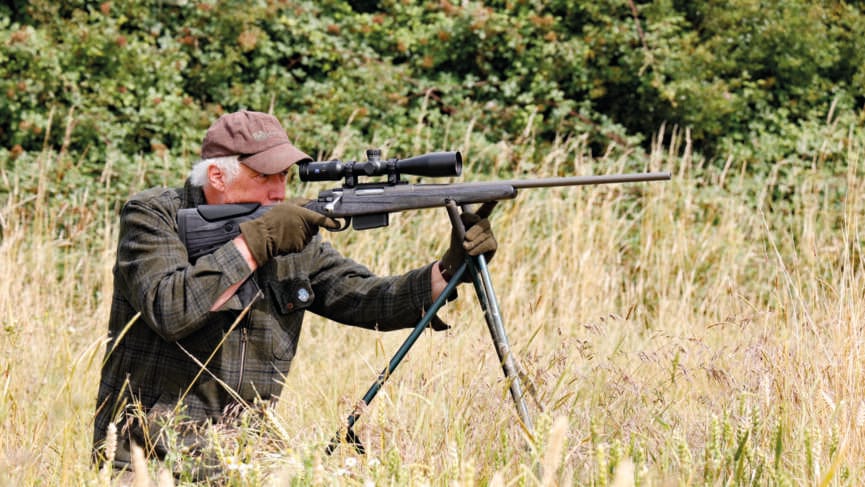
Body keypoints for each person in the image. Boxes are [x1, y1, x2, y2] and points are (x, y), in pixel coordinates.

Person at [91, 110, 497, 474]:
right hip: (147, 456)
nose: (279, 193)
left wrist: (449, 269)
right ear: (217, 176)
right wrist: (255, 243)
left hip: (246, 456)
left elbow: (364, 297)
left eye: (283, 176)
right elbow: (171, 309)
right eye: (264, 177)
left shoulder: (287, 233)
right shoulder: (153, 216)